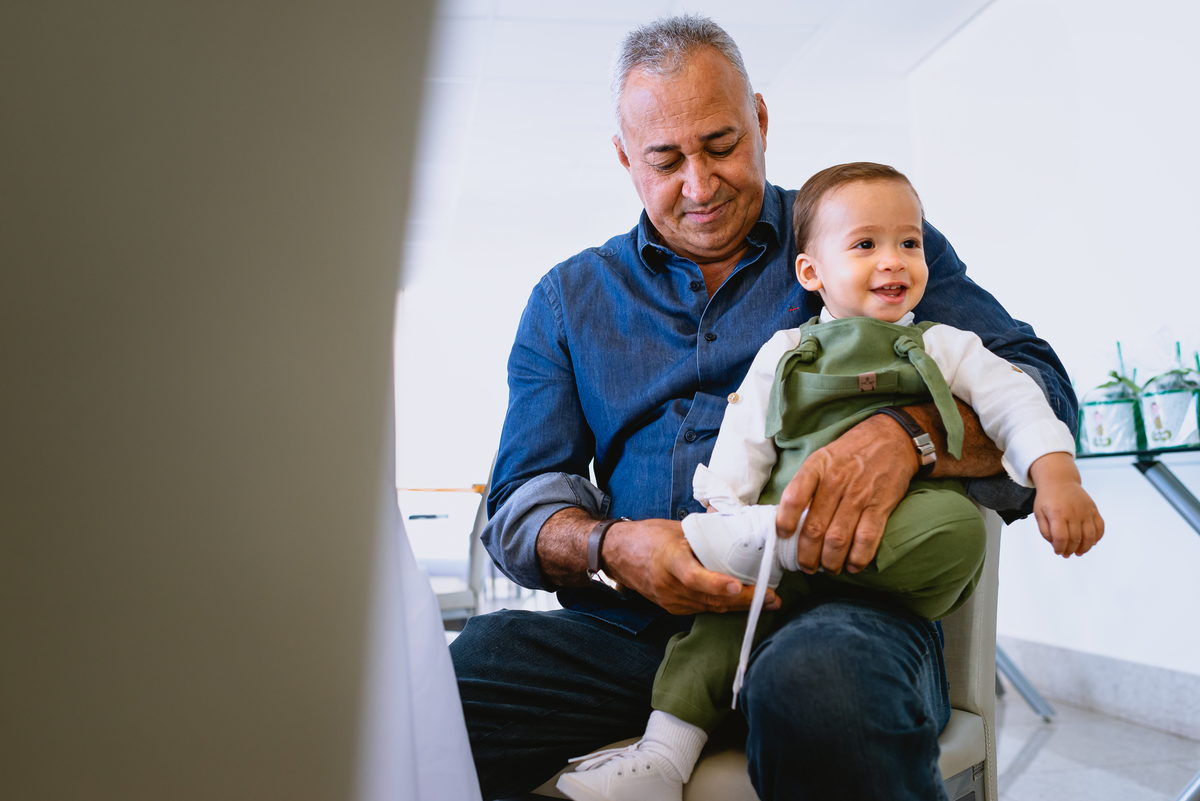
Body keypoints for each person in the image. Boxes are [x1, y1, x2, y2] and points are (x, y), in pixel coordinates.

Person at [450, 15, 1092, 801]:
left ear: (759, 120)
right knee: (455, 683)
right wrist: (612, 546)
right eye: (665, 159)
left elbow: (1042, 387)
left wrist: (911, 435)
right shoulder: (566, 300)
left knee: (819, 686)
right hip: (629, 634)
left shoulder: (865, 239)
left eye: (721, 145)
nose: (699, 183)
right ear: (625, 158)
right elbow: (519, 502)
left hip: (837, 615)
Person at [554, 162, 1104, 801]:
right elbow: (744, 443)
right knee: (714, 636)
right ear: (811, 273)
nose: (894, 261)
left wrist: (1056, 475)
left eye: (910, 243)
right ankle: (658, 763)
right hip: (767, 566)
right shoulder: (785, 352)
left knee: (957, 534)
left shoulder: (945, 345)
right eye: (866, 245)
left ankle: (777, 544)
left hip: (884, 562)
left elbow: (1019, 400)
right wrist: (726, 512)